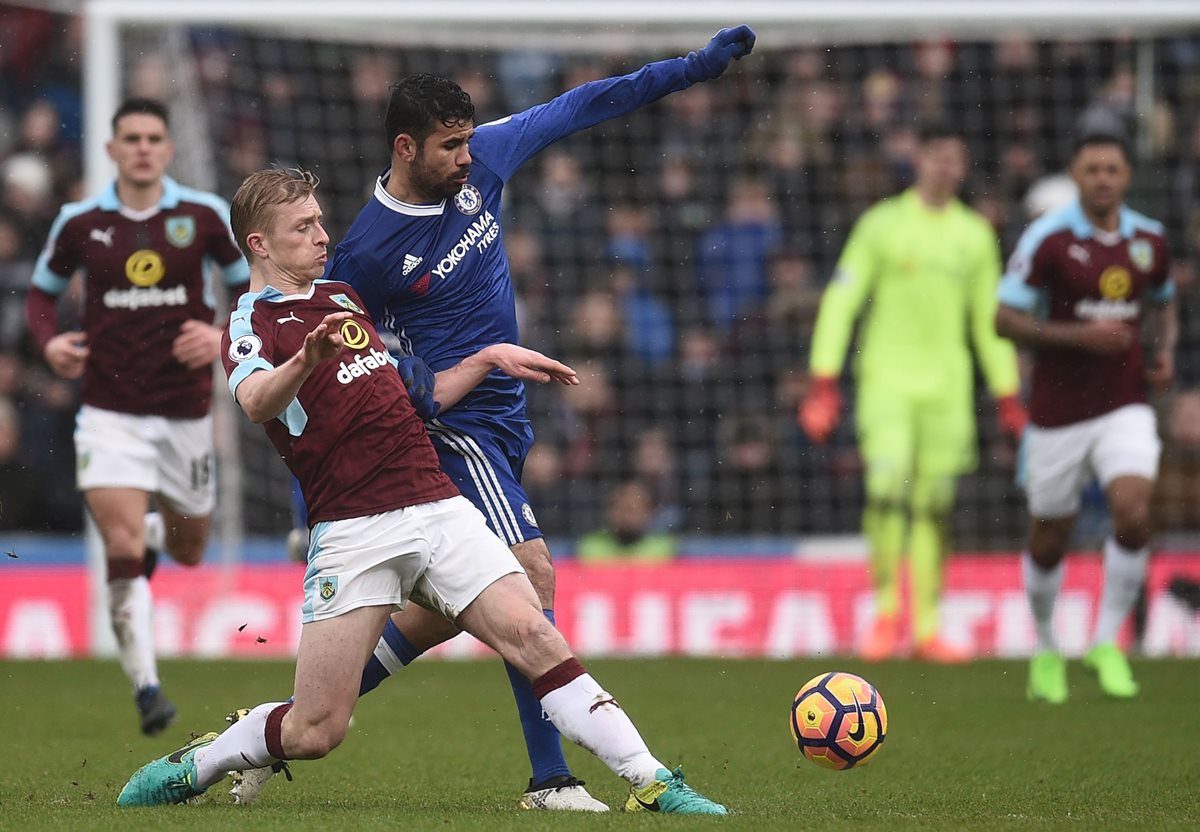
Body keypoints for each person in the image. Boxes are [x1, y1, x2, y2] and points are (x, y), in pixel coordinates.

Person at [116, 168, 729, 816]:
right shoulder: (250, 322)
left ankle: (653, 781)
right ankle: (207, 759)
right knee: (316, 730)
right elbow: (253, 399)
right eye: (305, 227)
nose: (323, 236)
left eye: (321, 220)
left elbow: (419, 396)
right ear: (260, 244)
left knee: (533, 633)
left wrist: (490, 357)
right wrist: (305, 360)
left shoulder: (344, 298)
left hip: (437, 504)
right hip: (355, 528)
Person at [301, 26, 756, 812]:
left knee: (439, 615)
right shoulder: (366, 255)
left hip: (506, 421)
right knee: (532, 575)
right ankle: (553, 779)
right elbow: (350, 367)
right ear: (405, 148)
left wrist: (694, 68)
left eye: (470, 142)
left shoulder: (488, 161)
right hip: (456, 425)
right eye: (450, 147)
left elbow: (587, 103)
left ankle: (275, 732)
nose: (467, 159)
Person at [24, 98, 249, 734]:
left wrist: (221, 334)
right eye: (132, 138)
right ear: (112, 150)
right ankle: (148, 687)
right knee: (119, 543)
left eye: (154, 137)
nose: (144, 147)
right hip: (108, 412)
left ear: (168, 149)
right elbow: (40, 296)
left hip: (185, 414)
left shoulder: (201, 217)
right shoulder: (80, 222)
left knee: (188, 549)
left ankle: (157, 534)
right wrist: (49, 344)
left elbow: (245, 289)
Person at [799, 124, 1027, 663]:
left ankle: (926, 628)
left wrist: (1008, 395)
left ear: (963, 167)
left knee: (933, 506)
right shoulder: (882, 225)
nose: (946, 167)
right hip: (888, 382)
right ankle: (884, 612)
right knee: (886, 486)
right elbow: (842, 301)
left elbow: (987, 321)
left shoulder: (973, 234)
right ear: (920, 158)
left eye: (956, 158)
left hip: (947, 389)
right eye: (938, 155)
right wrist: (823, 380)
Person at [995, 132, 1176, 703]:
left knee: (1133, 509)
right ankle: (1047, 648)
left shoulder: (1149, 239)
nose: (1103, 177)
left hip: (1125, 404)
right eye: (1092, 168)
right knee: (1050, 536)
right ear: (1076, 173)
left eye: (1113, 168)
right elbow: (1004, 319)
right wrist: (1079, 336)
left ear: (1126, 177)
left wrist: (1163, 349)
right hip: (1057, 412)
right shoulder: (1047, 238)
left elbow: (1164, 299)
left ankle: (1105, 643)